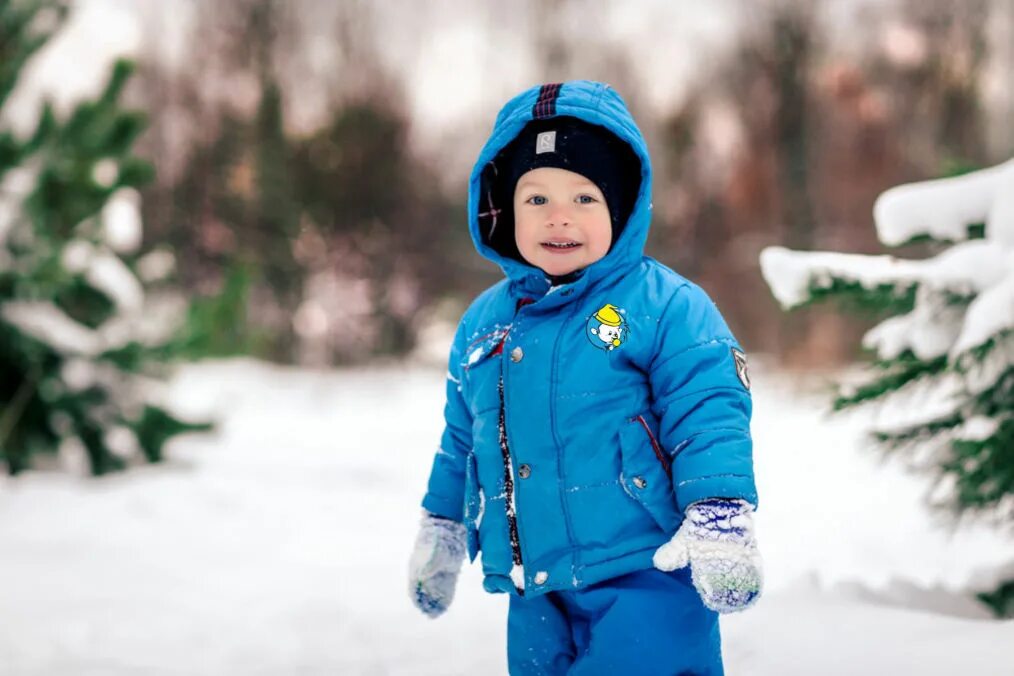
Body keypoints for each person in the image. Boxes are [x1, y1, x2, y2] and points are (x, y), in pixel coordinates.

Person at [408, 80, 762, 675]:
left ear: (620, 209)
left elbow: (708, 408)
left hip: (647, 570)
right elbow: (462, 439)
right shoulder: (484, 324)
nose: (559, 218)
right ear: (503, 211)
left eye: (584, 199)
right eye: (536, 200)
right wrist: (443, 525)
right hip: (535, 583)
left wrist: (719, 513)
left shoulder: (665, 306)